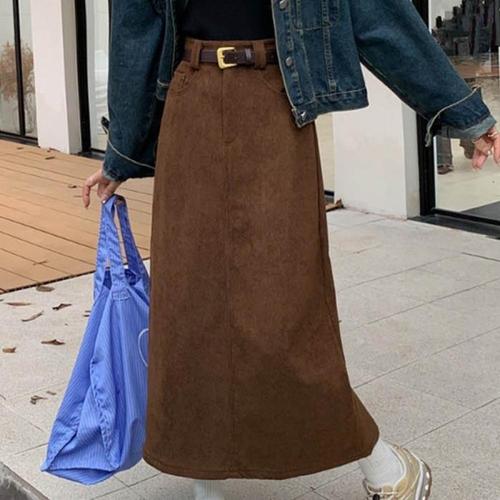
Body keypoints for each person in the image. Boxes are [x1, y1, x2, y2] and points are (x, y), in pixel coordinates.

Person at [81, 1, 500, 499]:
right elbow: (135, 30)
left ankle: (378, 460)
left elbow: (376, 14)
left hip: (276, 106)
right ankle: (207, 487)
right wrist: (120, 154)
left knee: (287, 312)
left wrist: (465, 113)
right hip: (191, 105)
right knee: (193, 308)